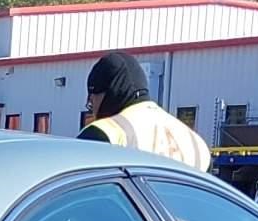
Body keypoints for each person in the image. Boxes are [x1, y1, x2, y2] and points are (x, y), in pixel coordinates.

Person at [78, 51, 212, 171]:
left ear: (109, 94)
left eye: (92, 101)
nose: (93, 109)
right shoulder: (197, 145)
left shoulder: (105, 134)